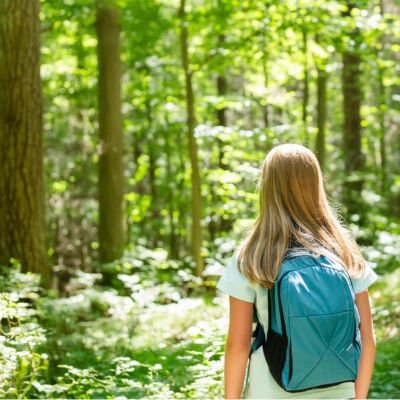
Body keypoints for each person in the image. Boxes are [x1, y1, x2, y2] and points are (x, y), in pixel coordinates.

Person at [216, 144, 378, 399]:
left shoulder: (254, 256)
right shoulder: (344, 251)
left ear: (267, 187)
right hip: (340, 388)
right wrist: (359, 397)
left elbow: (238, 345)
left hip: (271, 390)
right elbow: (367, 339)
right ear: (316, 184)